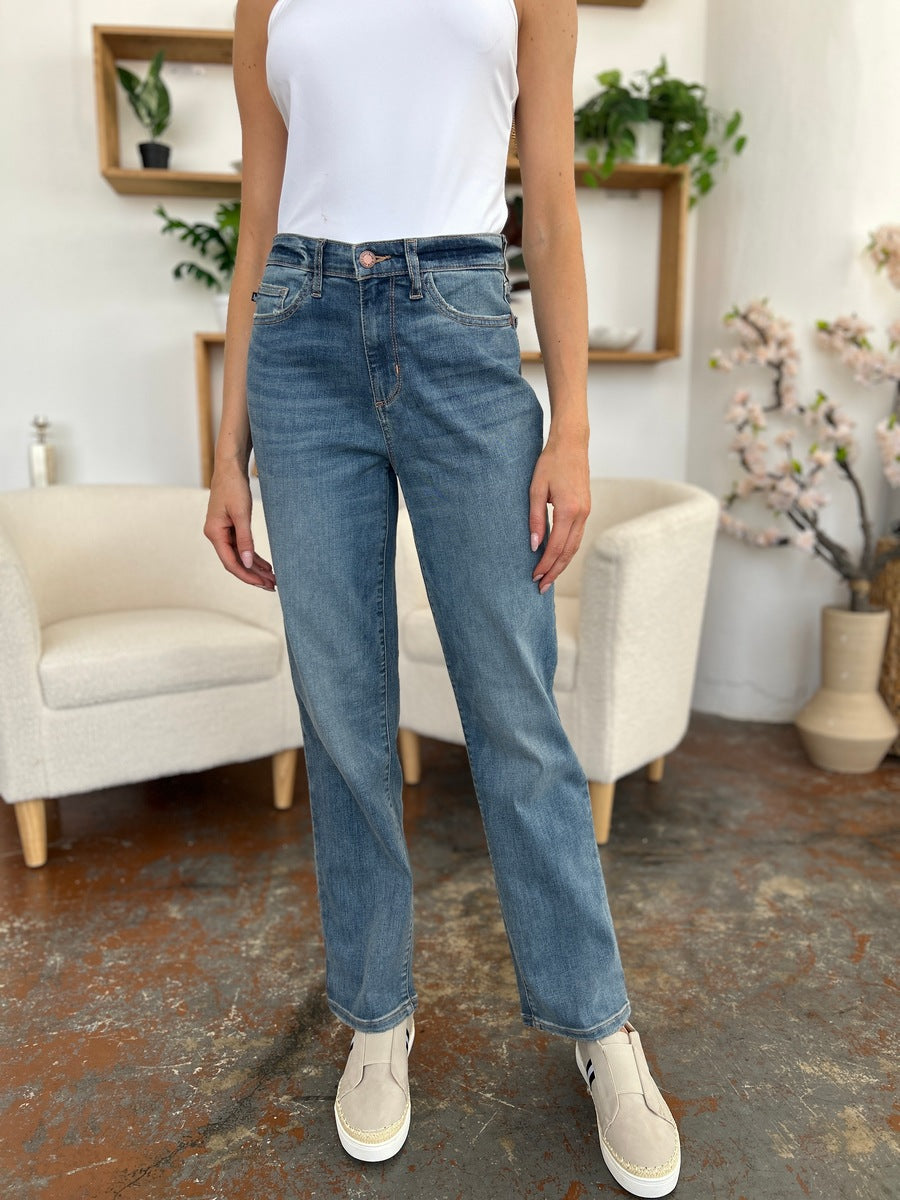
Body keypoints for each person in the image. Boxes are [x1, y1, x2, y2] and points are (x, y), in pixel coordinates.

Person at [204, 1, 680, 1195]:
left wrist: (571, 428)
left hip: (463, 326)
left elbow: (552, 205)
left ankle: (599, 1022)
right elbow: (258, 219)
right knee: (343, 714)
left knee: (514, 709)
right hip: (299, 343)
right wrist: (227, 449)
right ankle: (377, 1015)